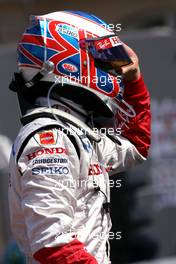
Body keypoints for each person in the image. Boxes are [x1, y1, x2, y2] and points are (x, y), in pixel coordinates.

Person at [8, 11, 151, 264]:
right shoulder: (50, 137)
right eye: (103, 63)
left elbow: (135, 147)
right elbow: (52, 243)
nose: (112, 72)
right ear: (66, 61)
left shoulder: (76, 134)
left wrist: (134, 81)